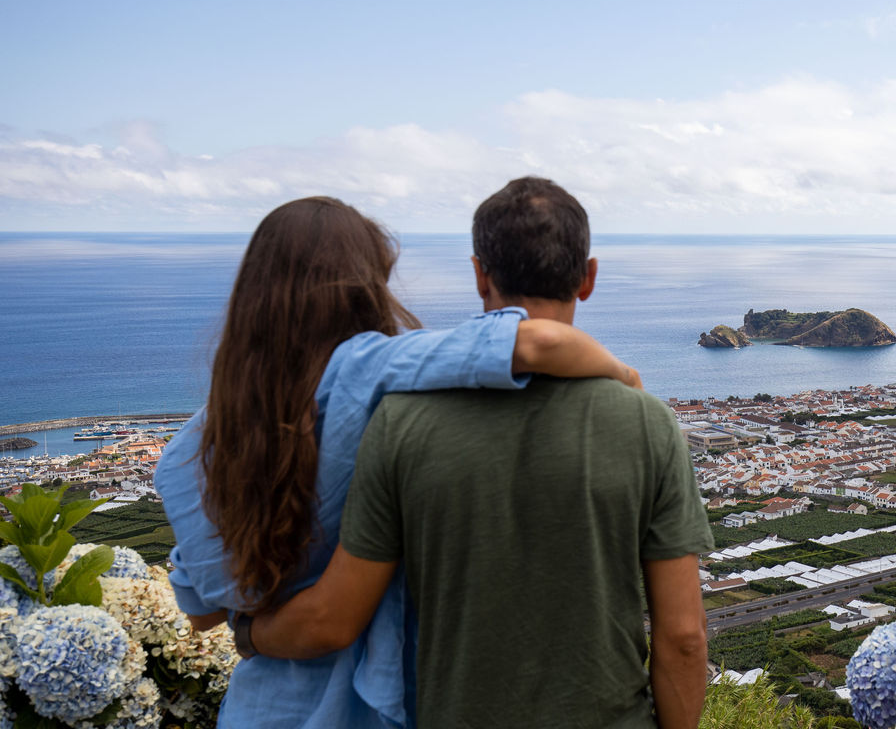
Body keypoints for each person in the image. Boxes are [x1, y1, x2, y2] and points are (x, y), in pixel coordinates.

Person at [156, 196, 640, 729]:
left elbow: (203, 611)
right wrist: (626, 382)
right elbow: (540, 340)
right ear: (364, 284)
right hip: (369, 705)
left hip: (260, 710)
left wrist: (252, 631)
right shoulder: (367, 367)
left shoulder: (186, 452)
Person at [248, 177, 714, 728]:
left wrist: (245, 629)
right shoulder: (647, 423)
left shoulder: (401, 420)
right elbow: (683, 637)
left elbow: (336, 617)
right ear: (588, 278)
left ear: (478, 275)